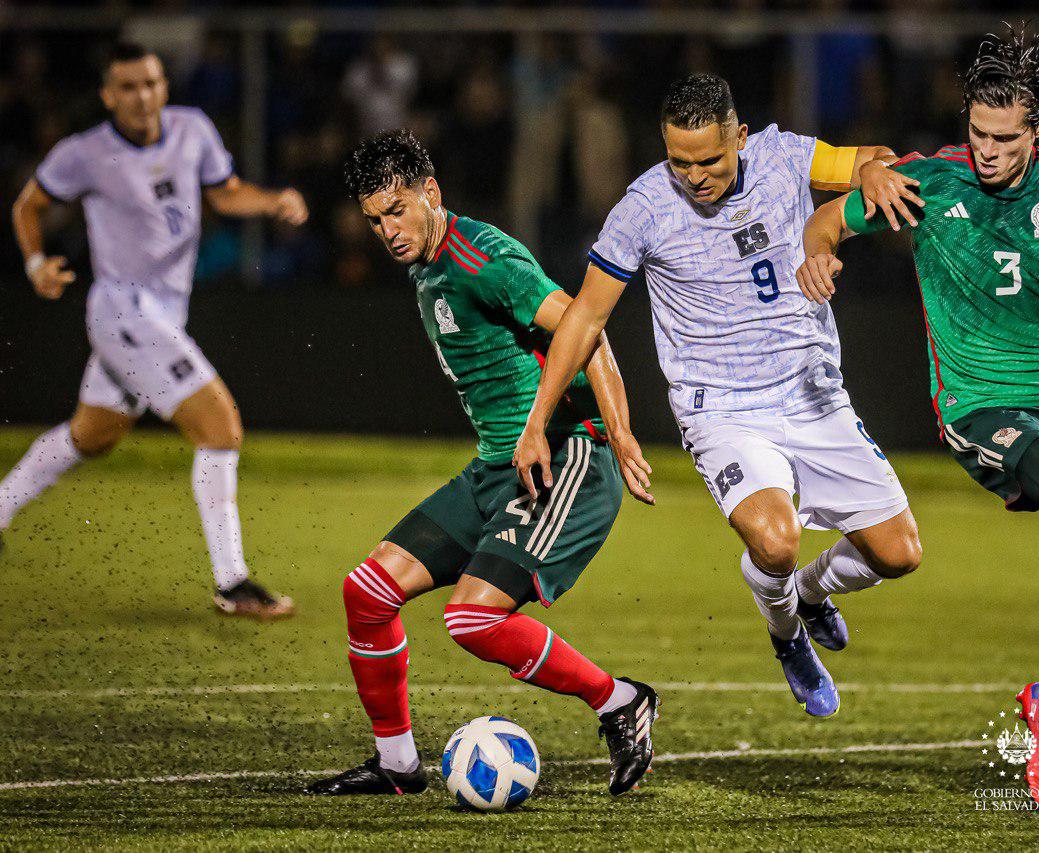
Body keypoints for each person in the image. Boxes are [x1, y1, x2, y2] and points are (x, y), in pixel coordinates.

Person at [798, 29, 1039, 810]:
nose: (989, 151)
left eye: (1006, 139)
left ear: (1037, 132)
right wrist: (819, 255)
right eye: (978, 134)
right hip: (981, 403)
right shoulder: (926, 181)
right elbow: (827, 221)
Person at [515, 74, 924, 719]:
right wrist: (540, 420)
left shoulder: (785, 156)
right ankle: (788, 634)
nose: (695, 177)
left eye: (709, 160)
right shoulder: (644, 208)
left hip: (812, 392)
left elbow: (875, 160)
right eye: (680, 162)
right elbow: (585, 318)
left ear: (738, 136)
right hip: (722, 408)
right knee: (776, 540)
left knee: (900, 555)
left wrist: (876, 170)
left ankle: (809, 595)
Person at [308, 129, 658, 798]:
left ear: (430, 193)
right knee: (367, 594)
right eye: (376, 218)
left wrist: (620, 430)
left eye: (398, 209)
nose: (388, 229)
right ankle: (397, 764)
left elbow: (588, 327)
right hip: (500, 466)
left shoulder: (483, 259)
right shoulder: (426, 265)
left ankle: (620, 701)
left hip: (565, 456)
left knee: (472, 617)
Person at [2, 42, 307, 618]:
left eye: (152, 83)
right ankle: (232, 582)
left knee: (94, 435)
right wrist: (35, 263)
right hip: (122, 312)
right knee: (221, 427)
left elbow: (224, 191)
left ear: (164, 86)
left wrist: (272, 202)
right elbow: (28, 205)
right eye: (129, 87)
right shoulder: (84, 153)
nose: (143, 97)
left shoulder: (192, 129)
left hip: (163, 314)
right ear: (108, 95)